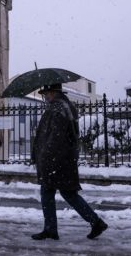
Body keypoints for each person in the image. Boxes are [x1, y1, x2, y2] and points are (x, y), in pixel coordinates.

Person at [30, 83, 107, 240]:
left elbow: (55, 137)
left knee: (48, 192)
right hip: (63, 159)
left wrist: (45, 155)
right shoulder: (64, 106)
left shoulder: (58, 108)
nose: (45, 96)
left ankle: (52, 229)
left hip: (56, 159)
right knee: (67, 193)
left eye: (47, 93)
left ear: (53, 93)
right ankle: (95, 222)